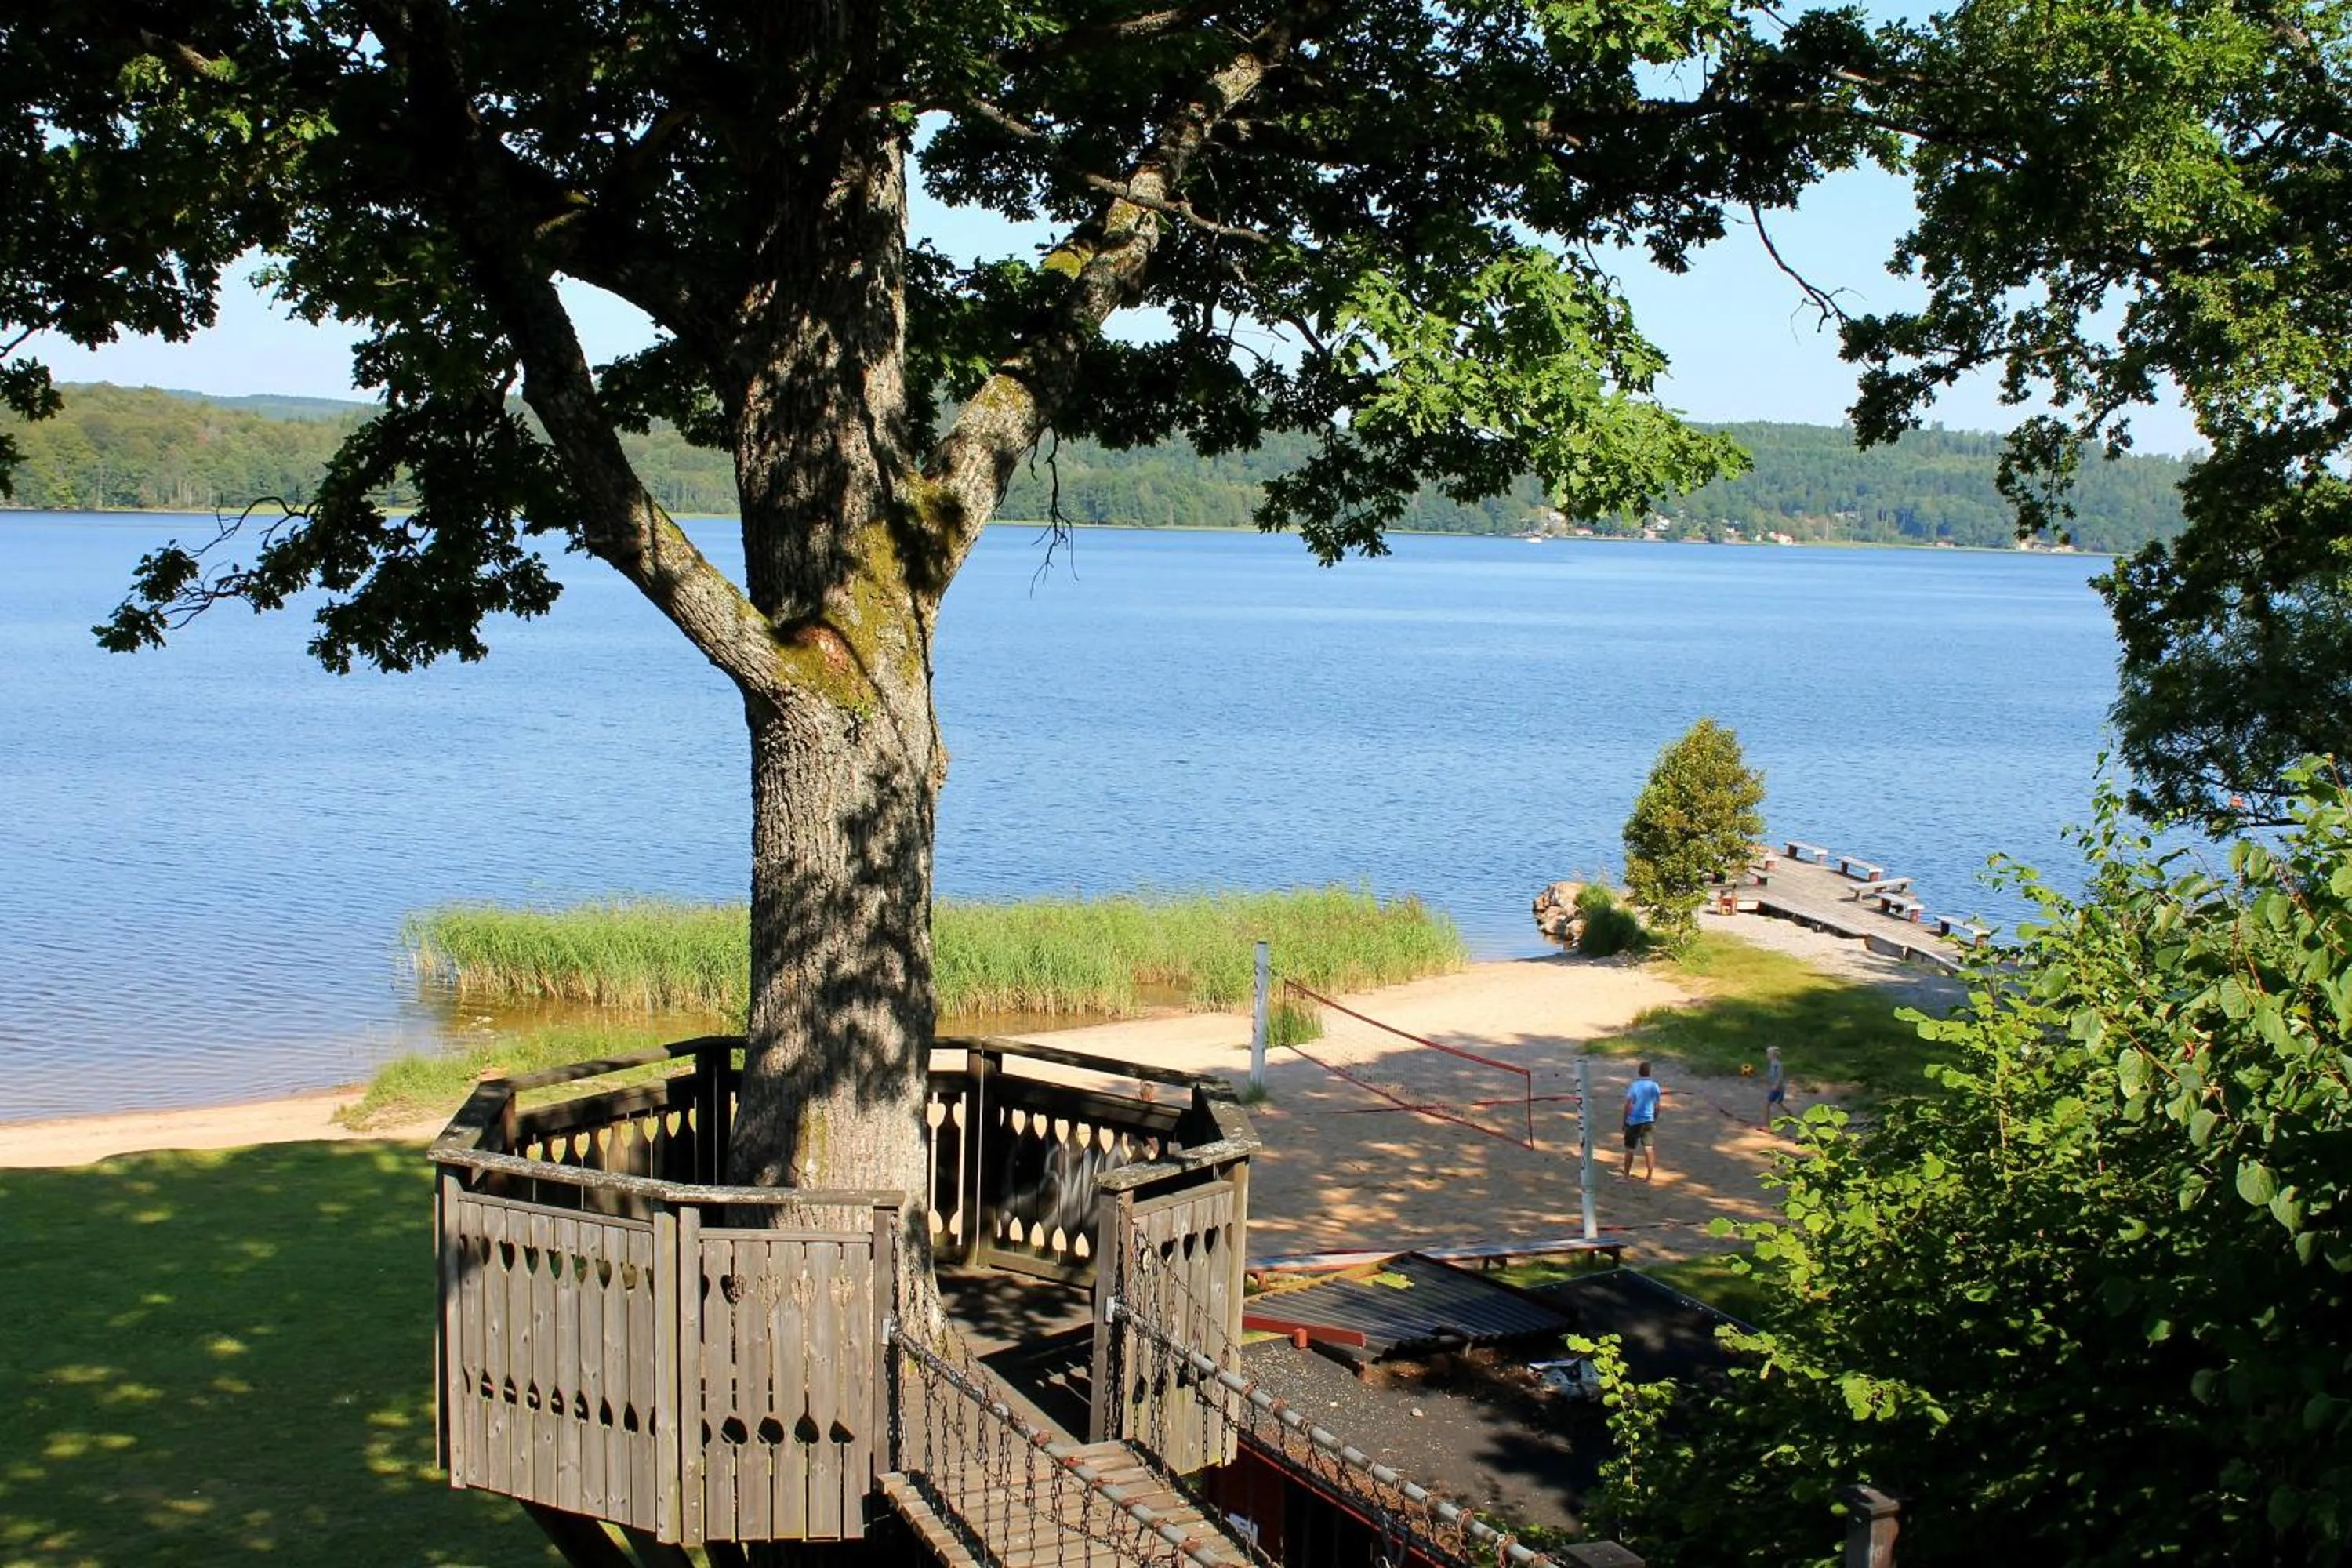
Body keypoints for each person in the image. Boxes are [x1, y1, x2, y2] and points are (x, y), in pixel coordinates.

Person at [1621, 1061, 1663, 1180]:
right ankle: (1649, 1175)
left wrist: (1625, 1120)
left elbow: (1629, 1105)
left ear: (1639, 1072)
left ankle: (1626, 1175)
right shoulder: (1655, 1086)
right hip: (1648, 1120)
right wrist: (1654, 1117)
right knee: (1648, 1148)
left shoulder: (1634, 1086)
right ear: (1650, 1073)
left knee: (1630, 1149)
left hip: (1634, 1120)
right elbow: (1657, 1105)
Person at [1764, 1044, 1787, 1124]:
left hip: (1777, 1088)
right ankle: (1791, 1115)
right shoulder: (1773, 1063)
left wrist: (1776, 1086)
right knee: (1779, 1103)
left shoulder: (1777, 1064)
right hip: (1777, 1087)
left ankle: (1767, 1125)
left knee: (1767, 1105)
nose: (1767, 1055)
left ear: (1773, 1055)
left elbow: (1780, 1076)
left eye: (1768, 1054)